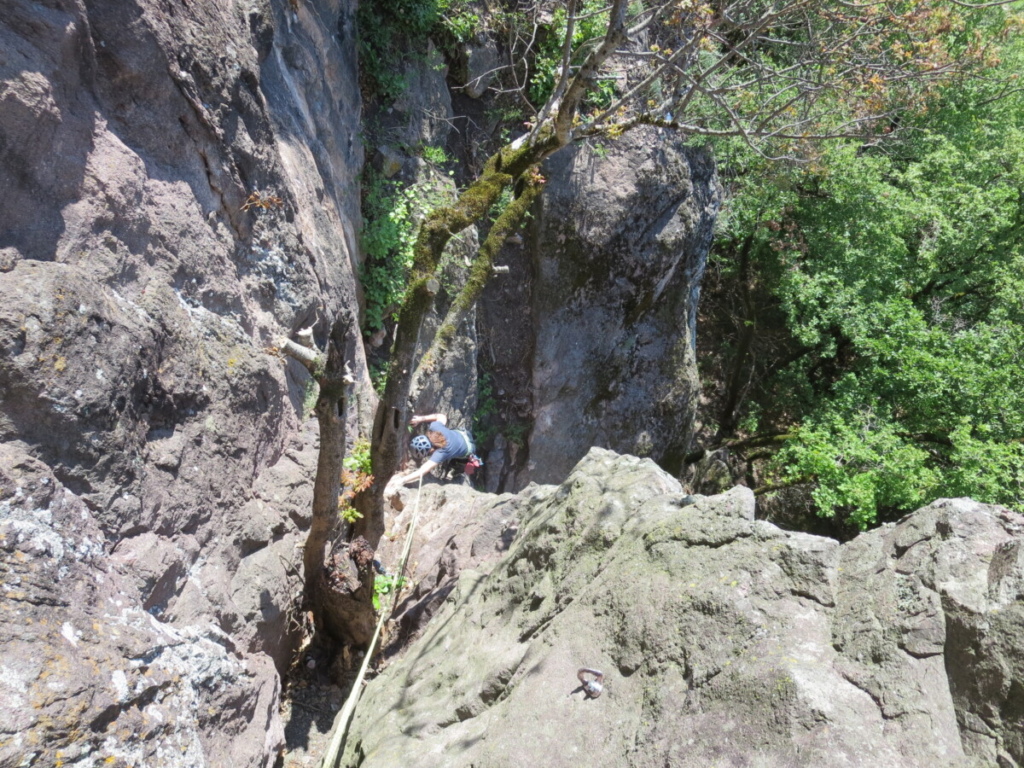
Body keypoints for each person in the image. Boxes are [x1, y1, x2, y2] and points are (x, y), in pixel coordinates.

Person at [389, 412, 476, 488]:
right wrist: (420, 419)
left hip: (468, 449)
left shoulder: (442, 452)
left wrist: (402, 480)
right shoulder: (435, 427)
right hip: (463, 433)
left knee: (456, 463)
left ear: (430, 450)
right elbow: (442, 416)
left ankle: (454, 472)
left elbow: (422, 470)